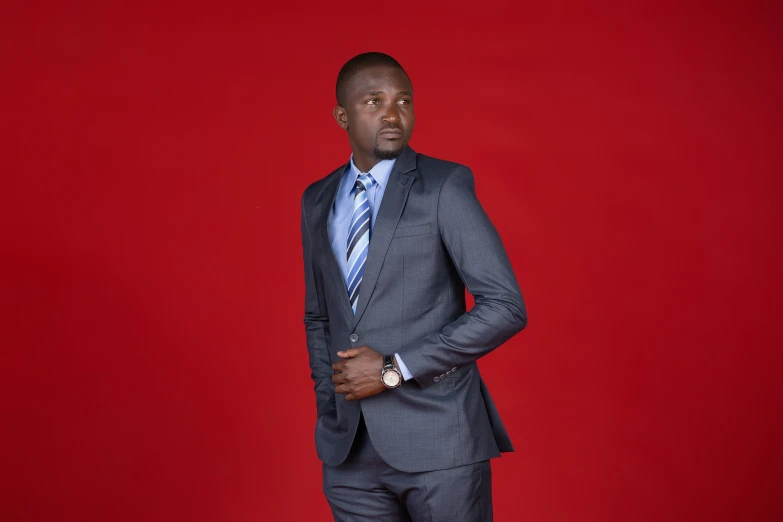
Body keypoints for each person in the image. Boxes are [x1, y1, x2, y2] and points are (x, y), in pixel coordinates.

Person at [299, 51, 528, 522]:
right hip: (349, 454)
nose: (392, 113)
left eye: (404, 101)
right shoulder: (317, 199)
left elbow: (505, 306)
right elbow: (319, 314)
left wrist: (392, 369)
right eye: (374, 101)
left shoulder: (444, 185)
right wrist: (331, 396)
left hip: (439, 443)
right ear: (342, 115)